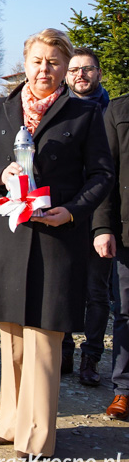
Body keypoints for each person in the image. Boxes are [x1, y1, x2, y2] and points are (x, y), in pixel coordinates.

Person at [0, 28, 114, 457]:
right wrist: (0, 176)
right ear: (24, 62)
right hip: (8, 236)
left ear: (66, 68)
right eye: (37, 61)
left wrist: (71, 210)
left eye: (53, 62)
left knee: (44, 338)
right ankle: (10, 422)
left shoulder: (83, 115)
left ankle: (38, 435)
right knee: (11, 335)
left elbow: (101, 175)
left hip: (58, 237)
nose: (44, 69)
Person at [61, 47, 113, 384]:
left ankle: (91, 356)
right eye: (74, 69)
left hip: (100, 216)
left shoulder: (112, 113)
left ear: (99, 74)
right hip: (63, 214)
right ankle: (62, 350)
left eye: (88, 68)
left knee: (97, 291)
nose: (81, 75)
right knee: (63, 286)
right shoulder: (60, 112)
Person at [91, 92, 129, 421]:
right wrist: (103, 226)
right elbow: (106, 173)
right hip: (127, 233)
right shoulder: (118, 109)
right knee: (126, 314)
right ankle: (123, 391)